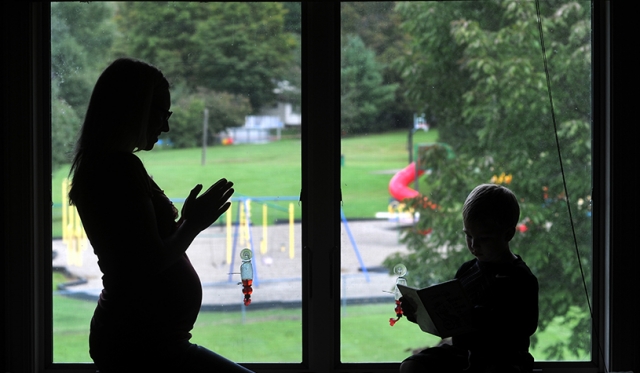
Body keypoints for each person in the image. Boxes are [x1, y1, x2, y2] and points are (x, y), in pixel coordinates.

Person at [68, 57, 253, 372]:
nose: (165, 125)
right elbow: (146, 263)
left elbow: (141, 250)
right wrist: (192, 224)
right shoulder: (118, 169)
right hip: (142, 346)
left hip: (149, 342)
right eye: (161, 113)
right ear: (133, 108)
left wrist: (186, 223)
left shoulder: (108, 166)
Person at [399, 184, 539, 373]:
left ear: (508, 234)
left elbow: (526, 326)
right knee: (411, 366)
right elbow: (449, 321)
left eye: (484, 238)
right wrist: (420, 313)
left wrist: (480, 318)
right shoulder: (466, 270)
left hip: (504, 358)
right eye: (469, 236)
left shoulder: (520, 277)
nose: (474, 245)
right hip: (463, 353)